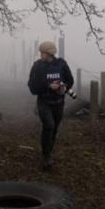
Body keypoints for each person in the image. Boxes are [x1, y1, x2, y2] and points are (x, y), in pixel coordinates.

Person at [27, 41, 74, 171]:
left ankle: (48, 151)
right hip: (44, 102)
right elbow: (32, 87)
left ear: (50, 53)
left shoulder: (61, 64)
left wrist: (63, 87)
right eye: (40, 53)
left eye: (43, 53)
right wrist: (48, 86)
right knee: (49, 126)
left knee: (54, 130)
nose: (41, 55)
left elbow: (70, 80)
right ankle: (46, 156)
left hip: (59, 103)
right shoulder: (37, 66)